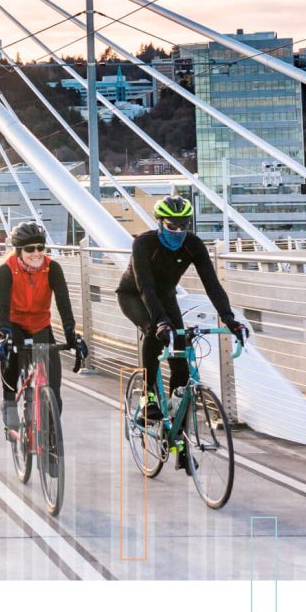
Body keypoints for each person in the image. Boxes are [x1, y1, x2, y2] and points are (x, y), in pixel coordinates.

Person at [117, 195, 249, 461]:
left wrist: (230, 319)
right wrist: (161, 322)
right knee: (155, 332)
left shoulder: (192, 245)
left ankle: (176, 434)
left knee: (181, 362)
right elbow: (145, 287)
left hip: (166, 297)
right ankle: (148, 398)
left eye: (183, 226)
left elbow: (212, 283)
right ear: (160, 222)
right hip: (134, 295)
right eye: (171, 226)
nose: (178, 231)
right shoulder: (144, 243)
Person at [0, 221, 87, 429]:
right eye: (29, 249)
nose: (36, 253)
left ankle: (51, 438)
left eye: (40, 247)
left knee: (53, 388)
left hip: (40, 325)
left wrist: (72, 334)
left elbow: (64, 304)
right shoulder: (6, 270)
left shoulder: (52, 268)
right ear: (18, 251)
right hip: (12, 323)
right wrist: (5, 334)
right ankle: (9, 399)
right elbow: (2, 305)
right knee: (11, 353)